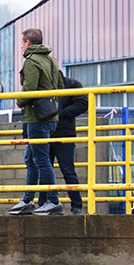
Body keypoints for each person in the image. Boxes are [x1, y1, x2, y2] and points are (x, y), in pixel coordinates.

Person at [8, 28, 65, 216]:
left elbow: (29, 89)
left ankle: (53, 201)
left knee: (40, 160)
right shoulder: (51, 61)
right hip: (50, 116)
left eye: (22, 43)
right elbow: (61, 87)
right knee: (32, 159)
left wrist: (19, 101)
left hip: (36, 118)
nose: (21, 47)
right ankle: (28, 199)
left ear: (28, 43)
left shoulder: (31, 61)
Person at [44, 75, 88, 214]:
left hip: (61, 132)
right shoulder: (70, 84)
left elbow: (82, 103)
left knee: (65, 170)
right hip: (52, 131)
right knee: (46, 169)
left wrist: (60, 114)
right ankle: (48, 203)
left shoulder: (71, 84)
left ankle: (75, 206)